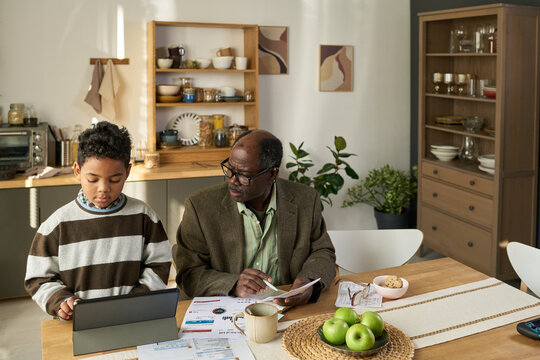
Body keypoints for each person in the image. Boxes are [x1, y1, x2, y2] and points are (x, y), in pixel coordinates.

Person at [24, 121, 171, 319]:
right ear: (77, 171)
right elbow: (39, 278)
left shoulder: (144, 217)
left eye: (115, 179)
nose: (103, 188)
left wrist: (135, 301)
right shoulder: (56, 225)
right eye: (93, 179)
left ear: (127, 172)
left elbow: (159, 265)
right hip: (77, 321)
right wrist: (61, 302)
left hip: (131, 317)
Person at [175, 130, 335, 306]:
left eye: (244, 175)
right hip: (225, 307)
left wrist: (309, 281)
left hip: (285, 307)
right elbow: (189, 273)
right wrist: (234, 284)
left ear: (272, 174)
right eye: (230, 169)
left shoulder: (305, 200)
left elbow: (323, 251)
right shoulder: (200, 206)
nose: (232, 180)